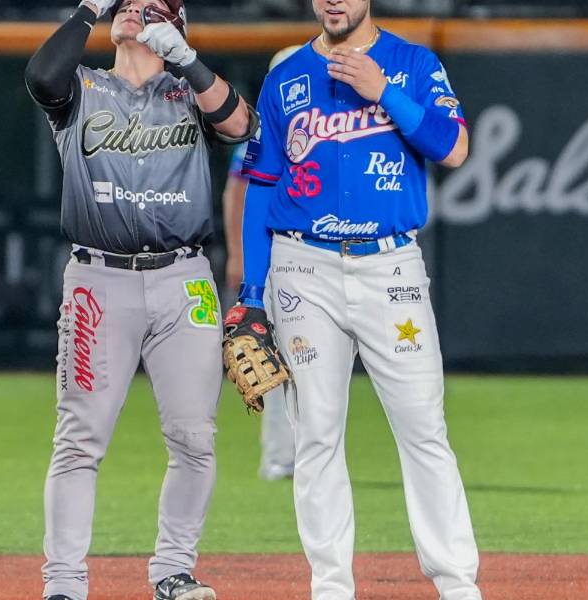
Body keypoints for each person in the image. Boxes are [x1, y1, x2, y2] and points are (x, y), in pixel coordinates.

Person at [232, 0, 481, 598]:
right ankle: (331, 586)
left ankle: (456, 584)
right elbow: (261, 186)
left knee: (423, 427)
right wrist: (251, 294)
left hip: (390, 265)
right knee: (316, 434)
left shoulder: (412, 63)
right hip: (303, 267)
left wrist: (385, 92)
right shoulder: (287, 77)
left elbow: (454, 148)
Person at [23, 0, 256, 598]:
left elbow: (241, 125)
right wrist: (87, 10)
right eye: (124, 4)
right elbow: (41, 76)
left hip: (185, 279)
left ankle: (173, 571)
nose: (132, 10)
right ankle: (64, 584)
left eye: (151, 6)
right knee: (79, 440)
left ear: (176, 27)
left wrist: (190, 62)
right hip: (99, 281)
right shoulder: (82, 87)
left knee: (195, 438)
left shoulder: (189, 92)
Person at [219, 45, 301, 482]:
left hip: (309, 254)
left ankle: (309, 452)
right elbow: (237, 191)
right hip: (270, 255)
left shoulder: (327, 122)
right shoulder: (263, 128)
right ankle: (279, 455)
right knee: (270, 358)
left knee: (308, 359)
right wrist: (239, 254)